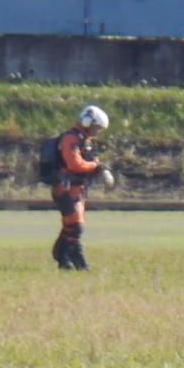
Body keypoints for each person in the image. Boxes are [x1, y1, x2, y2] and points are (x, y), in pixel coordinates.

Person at [53, 105, 114, 271]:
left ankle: (62, 257)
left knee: (70, 226)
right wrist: (94, 166)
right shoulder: (70, 139)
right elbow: (75, 164)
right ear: (88, 122)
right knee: (75, 225)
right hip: (65, 187)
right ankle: (78, 260)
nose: (97, 131)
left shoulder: (84, 141)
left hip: (77, 188)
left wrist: (100, 169)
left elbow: (91, 160)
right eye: (96, 127)